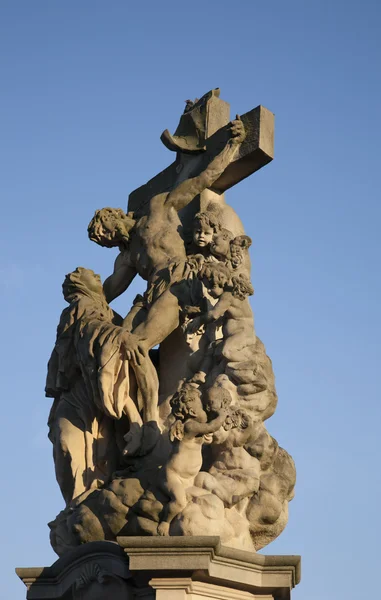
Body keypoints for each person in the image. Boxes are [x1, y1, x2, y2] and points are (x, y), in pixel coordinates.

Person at [87, 117, 246, 371]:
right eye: (106, 241)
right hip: (152, 293)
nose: (111, 239)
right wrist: (83, 303)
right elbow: (108, 292)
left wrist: (233, 144)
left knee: (138, 344)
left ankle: (150, 410)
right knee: (117, 343)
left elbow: (203, 179)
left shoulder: (157, 207)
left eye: (107, 230)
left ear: (116, 216)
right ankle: (131, 408)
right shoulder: (127, 256)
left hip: (178, 283)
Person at [46, 268, 154, 503]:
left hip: (94, 401)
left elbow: (108, 331)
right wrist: (121, 336)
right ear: (79, 286)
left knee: (103, 455)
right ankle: (77, 507)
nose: (97, 277)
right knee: (68, 445)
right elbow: (91, 329)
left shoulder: (105, 311)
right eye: (89, 276)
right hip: (76, 396)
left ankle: (87, 508)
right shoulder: (81, 304)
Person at [157, 383, 228, 535]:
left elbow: (208, 433)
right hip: (173, 475)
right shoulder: (190, 426)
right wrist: (222, 415)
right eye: (200, 405)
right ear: (191, 410)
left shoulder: (197, 429)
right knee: (179, 503)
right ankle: (165, 522)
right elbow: (211, 427)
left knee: (208, 497)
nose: (204, 407)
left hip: (189, 480)